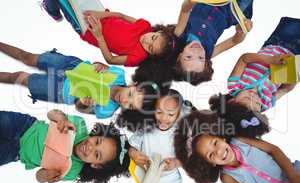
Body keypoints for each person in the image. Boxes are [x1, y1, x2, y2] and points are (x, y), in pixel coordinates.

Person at [0, 42, 158, 118]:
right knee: (28, 57)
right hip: (70, 66)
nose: (124, 100)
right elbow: (95, 66)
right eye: (130, 95)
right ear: (133, 85)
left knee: (19, 78)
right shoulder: (118, 74)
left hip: (61, 92)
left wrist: (84, 102)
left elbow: (79, 107)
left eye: (130, 105)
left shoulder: (107, 111)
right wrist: (99, 65)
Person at [0, 109, 131, 183]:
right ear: (96, 135)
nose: (90, 148)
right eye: (96, 141)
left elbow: (38, 176)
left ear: (96, 165)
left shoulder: (72, 171)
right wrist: (62, 118)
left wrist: (46, 176)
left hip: (16, 153)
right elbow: (51, 114)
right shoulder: (78, 125)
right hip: (23, 125)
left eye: (97, 155)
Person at [174, 110, 300, 183]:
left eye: (215, 142)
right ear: (211, 163)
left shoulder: (240, 140)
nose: (218, 151)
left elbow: (274, 150)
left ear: (221, 137)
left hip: (294, 172)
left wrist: (295, 178)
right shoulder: (227, 178)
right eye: (211, 155)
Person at [41, 0, 176, 66]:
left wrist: (99, 36)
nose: (147, 42)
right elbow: (120, 15)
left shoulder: (138, 56)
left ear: (151, 55)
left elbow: (110, 59)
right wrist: (101, 14)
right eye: (152, 38)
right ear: (157, 31)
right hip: (99, 11)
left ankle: (52, 10)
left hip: (88, 29)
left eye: (150, 48)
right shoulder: (145, 25)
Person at [209, 17, 300, 112]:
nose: (253, 96)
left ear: (232, 101)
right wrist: (295, 72)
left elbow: (244, 59)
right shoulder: (266, 103)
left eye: (246, 98)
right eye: (257, 103)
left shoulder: (234, 85)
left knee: (294, 26)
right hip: (296, 56)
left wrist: (271, 60)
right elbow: (285, 90)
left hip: (278, 43)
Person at [128, 89, 194, 183]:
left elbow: (189, 155)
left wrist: (176, 162)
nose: (164, 118)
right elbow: (131, 146)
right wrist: (133, 153)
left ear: (178, 114)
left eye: (171, 114)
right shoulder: (145, 128)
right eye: (159, 112)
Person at [172, 0, 253, 85]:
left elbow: (185, 11)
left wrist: (190, 2)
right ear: (206, 62)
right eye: (200, 58)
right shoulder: (209, 52)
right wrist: (242, 31)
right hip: (231, 11)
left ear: (179, 56)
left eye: (189, 57)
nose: (196, 51)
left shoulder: (179, 36)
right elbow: (234, 41)